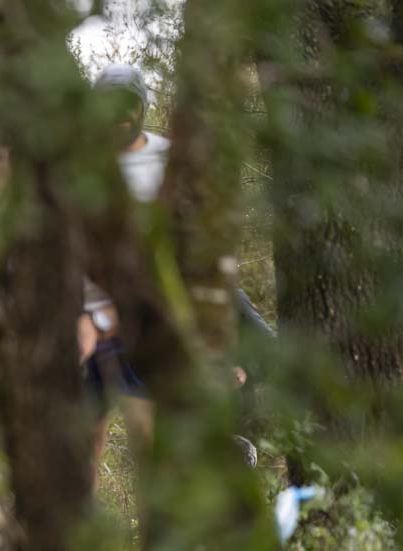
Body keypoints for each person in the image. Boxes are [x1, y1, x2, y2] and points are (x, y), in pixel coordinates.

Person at [79, 64, 271, 477]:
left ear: (142, 107)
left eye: (127, 105)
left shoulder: (167, 159)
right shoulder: (79, 168)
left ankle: (229, 444)